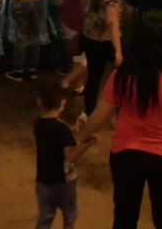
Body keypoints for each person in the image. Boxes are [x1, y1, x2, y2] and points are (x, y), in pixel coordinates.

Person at [81, 19, 162, 229]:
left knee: (124, 217)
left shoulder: (121, 78)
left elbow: (97, 118)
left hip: (126, 156)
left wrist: (85, 135)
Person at [34, 79, 97, 229]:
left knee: (45, 216)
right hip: (63, 182)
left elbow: (54, 135)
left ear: (39, 102)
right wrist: (86, 144)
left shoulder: (38, 124)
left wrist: (72, 129)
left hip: (43, 180)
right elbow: (70, 156)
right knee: (70, 213)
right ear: (63, 103)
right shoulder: (62, 130)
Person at [81, 0, 125, 115]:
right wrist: (118, 51)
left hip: (89, 38)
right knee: (123, 75)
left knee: (93, 77)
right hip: (106, 40)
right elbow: (112, 23)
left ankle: (89, 112)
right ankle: (122, 112)